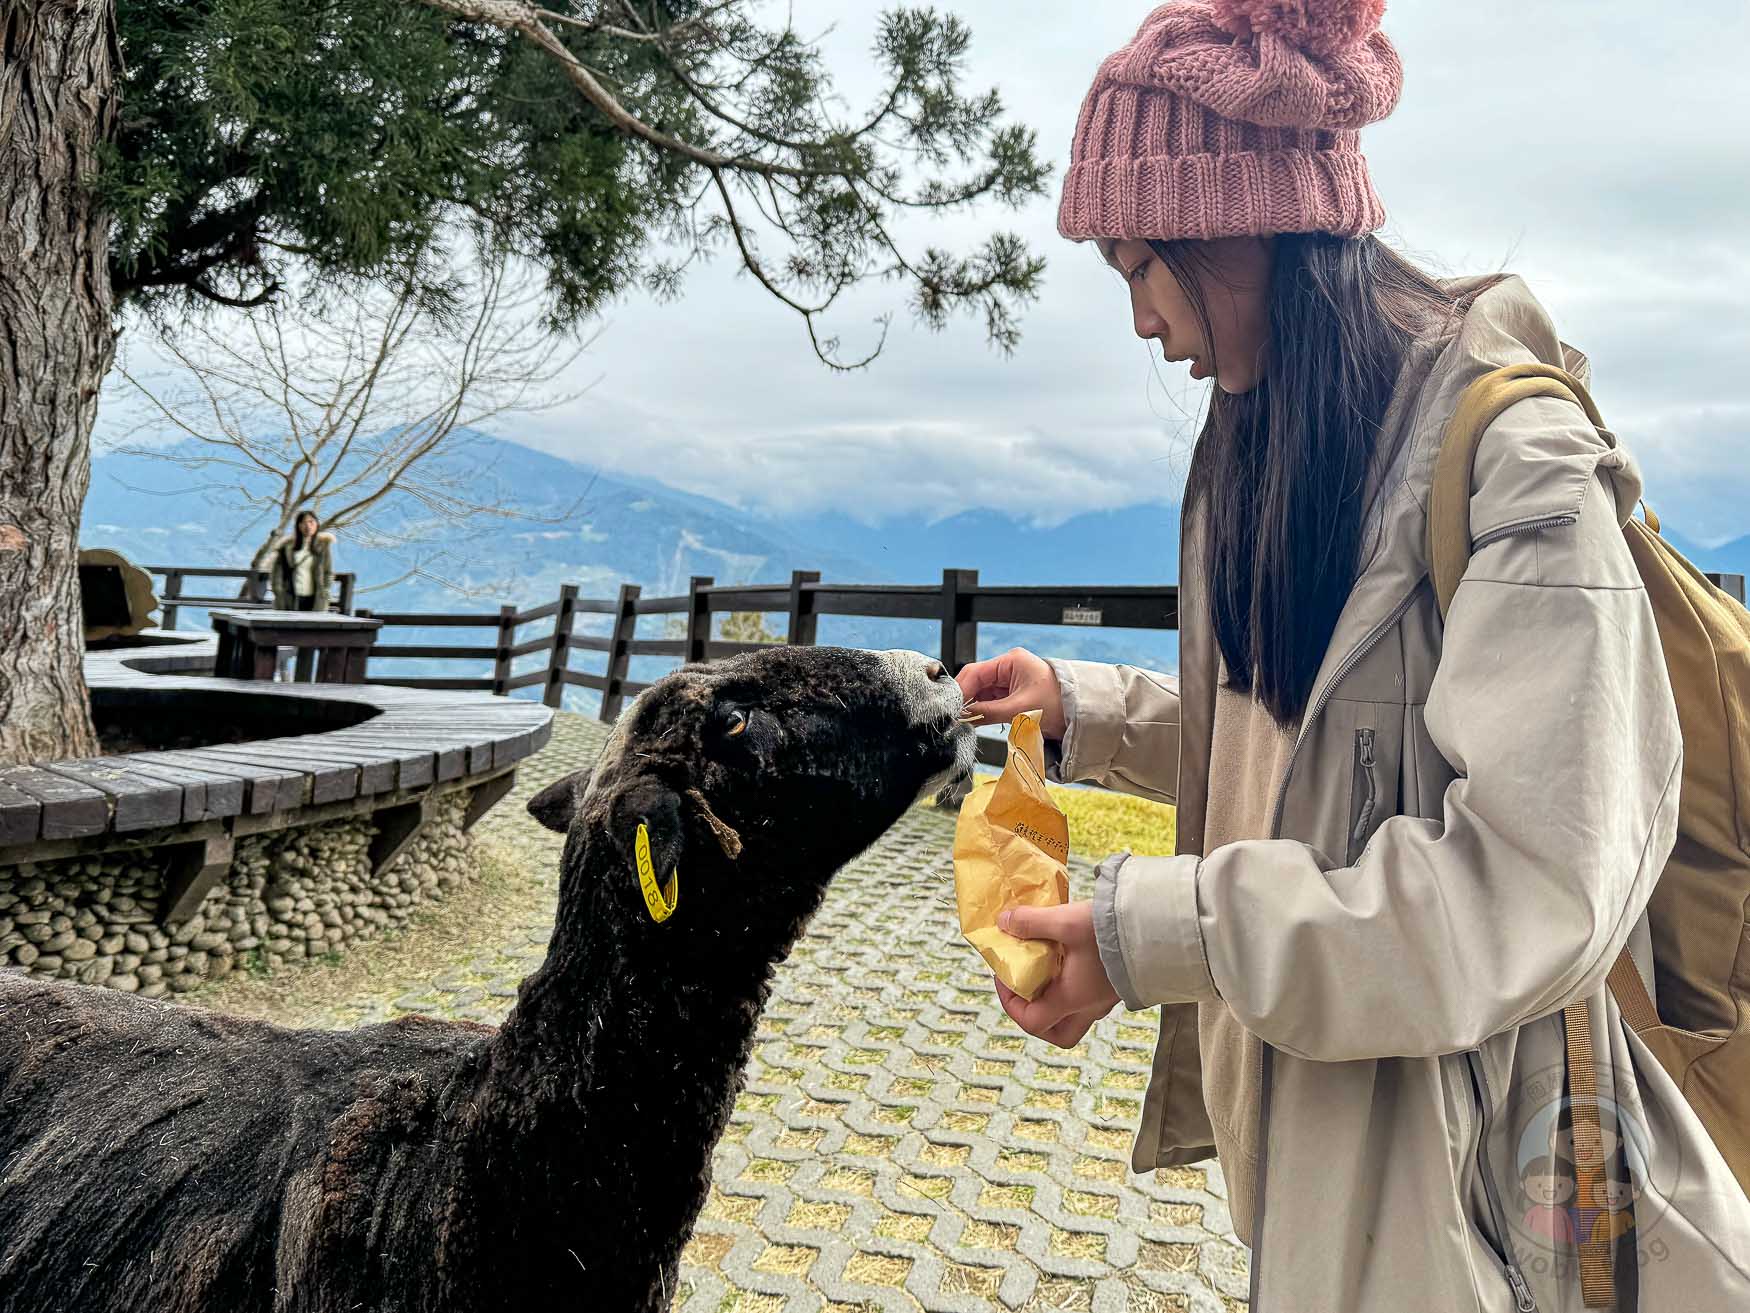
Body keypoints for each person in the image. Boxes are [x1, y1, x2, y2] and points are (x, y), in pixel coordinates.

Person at [953, 3, 1750, 1309]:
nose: (1140, 318)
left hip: (1509, 1195)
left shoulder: (1515, 464)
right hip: (1337, 1150)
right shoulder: (1286, 454)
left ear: (1242, 229)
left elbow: (1528, 889)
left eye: (1139, 263)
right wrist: (1082, 712)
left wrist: (1148, 932)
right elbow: (1316, 751)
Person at [267, 509, 335, 612]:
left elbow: (328, 571)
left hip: (315, 598)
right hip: (290, 597)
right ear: (298, 526)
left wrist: (325, 590)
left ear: (316, 524)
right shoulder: (286, 547)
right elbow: (276, 573)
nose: (308, 526)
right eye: (303, 522)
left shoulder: (323, 547)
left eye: (311, 522)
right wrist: (278, 592)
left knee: (313, 626)